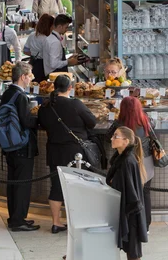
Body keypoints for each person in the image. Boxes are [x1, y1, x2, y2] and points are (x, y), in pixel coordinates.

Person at [38, 75, 96, 233]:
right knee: (77, 186)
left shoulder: (46, 106)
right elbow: (92, 122)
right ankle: (75, 222)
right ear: (70, 88)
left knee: (56, 186)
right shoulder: (75, 104)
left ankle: (56, 222)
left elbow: (42, 123)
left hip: (54, 150)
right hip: (74, 152)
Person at [0, 62, 40, 232]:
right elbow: (26, 121)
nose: (31, 78)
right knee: (23, 184)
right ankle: (18, 220)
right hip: (22, 147)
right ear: (23, 77)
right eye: (30, 75)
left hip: (9, 146)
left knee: (13, 183)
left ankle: (15, 217)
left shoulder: (7, 93)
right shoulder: (21, 97)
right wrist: (39, 117)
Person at [109, 97, 155, 232]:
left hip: (128, 162)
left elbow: (107, 137)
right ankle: (145, 225)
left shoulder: (120, 123)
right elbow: (153, 133)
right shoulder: (145, 120)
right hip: (146, 160)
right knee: (145, 193)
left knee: (130, 193)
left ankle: (131, 224)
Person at [107, 126, 148, 260]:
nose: (111, 139)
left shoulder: (127, 161)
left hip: (130, 212)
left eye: (115, 136)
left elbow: (130, 191)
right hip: (128, 210)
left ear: (126, 141)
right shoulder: (122, 160)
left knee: (133, 251)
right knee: (131, 250)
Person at [24, 14, 54, 82]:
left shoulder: (32, 35)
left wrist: (34, 53)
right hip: (43, 67)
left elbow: (25, 50)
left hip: (32, 63)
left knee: (32, 84)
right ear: (49, 26)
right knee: (43, 86)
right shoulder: (47, 39)